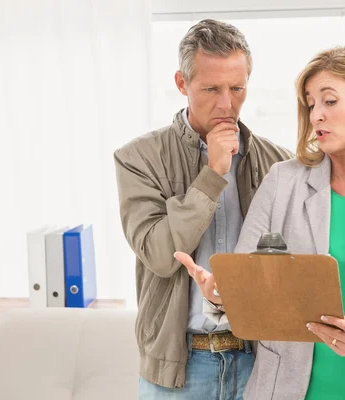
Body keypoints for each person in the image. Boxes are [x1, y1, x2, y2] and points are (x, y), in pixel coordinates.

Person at [175, 44, 345, 399]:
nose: (316, 115)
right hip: (290, 385)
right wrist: (220, 291)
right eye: (310, 104)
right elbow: (247, 280)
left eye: (330, 101)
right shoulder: (283, 181)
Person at [114, 19, 293, 399]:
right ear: (182, 83)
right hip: (179, 371)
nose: (227, 103)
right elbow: (161, 255)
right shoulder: (138, 159)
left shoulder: (279, 163)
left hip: (258, 364)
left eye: (237, 88)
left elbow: (293, 268)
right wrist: (212, 173)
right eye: (211, 88)